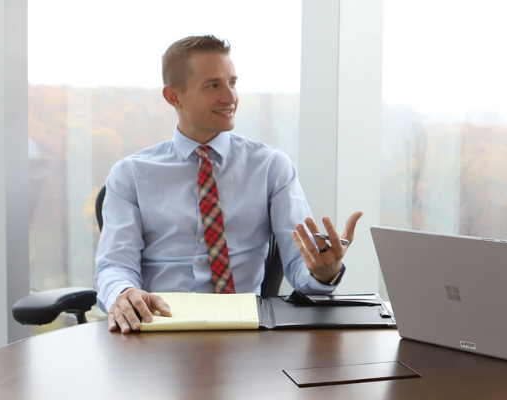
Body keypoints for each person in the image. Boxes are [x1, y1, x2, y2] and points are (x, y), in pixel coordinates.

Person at [96, 35, 363, 334]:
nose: (230, 97)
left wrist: (323, 274)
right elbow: (114, 265)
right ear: (174, 96)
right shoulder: (130, 175)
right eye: (213, 85)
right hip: (158, 330)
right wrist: (122, 292)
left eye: (232, 83)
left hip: (247, 335)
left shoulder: (271, 167)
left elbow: (302, 270)